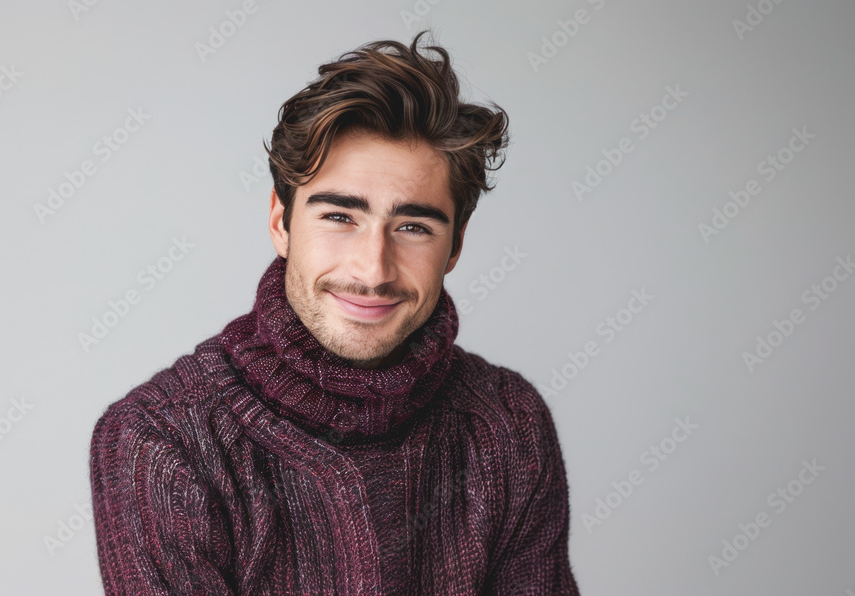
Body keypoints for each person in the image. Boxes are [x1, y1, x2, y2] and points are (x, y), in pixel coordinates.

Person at [89, 30, 580, 595]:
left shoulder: (506, 423)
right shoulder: (160, 442)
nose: (373, 270)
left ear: (456, 246)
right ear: (281, 222)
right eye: (340, 217)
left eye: (413, 227)